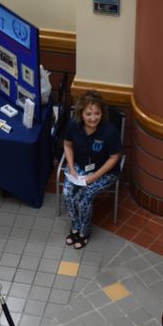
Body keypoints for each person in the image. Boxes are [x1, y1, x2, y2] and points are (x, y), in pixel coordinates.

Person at [62, 90, 121, 249]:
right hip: (79, 167)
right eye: (88, 114)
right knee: (68, 193)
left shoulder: (110, 131)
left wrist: (94, 176)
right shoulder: (73, 125)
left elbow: (114, 157)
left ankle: (84, 232)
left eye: (97, 113)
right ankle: (75, 227)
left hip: (105, 172)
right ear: (81, 113)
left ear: (102, 113)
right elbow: (67, 145)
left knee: (85, 196)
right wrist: (71, 166)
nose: (93, 118)